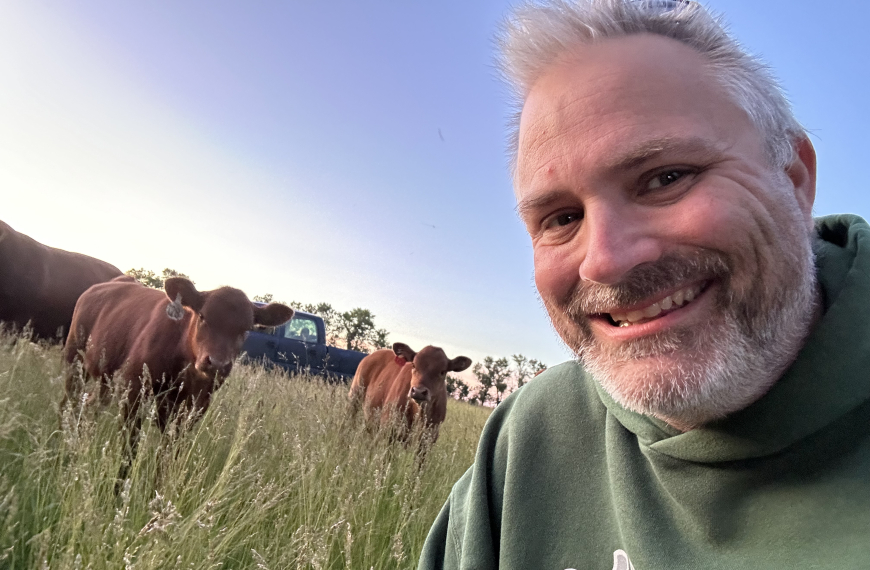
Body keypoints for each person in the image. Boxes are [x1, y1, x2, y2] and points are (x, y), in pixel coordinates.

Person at [418, 1, 870, 568]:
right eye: (561, 218)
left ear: (795, 178)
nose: (605, 261)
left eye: (665, 178)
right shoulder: (531, 437)